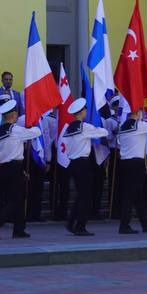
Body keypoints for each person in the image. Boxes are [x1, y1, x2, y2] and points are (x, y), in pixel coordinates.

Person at [0, 99, 41, 240]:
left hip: (6, 167)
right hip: (14, 167)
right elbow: (36, 133)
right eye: (16, 113)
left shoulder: (0, 130)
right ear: (13, 114)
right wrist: (33, 122)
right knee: (15, 200)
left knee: (17, 200)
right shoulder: (15, 130)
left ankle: (19, 229)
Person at [62, 98, 108, 236]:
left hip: (73, 163)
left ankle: (71, 222)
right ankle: (80, 227)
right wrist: (96, 126)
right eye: (85, 110)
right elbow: (104, 132)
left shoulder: (68, 128)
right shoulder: (84, 127)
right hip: (83, 164)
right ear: (81, 112)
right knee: (86, 197)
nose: (86, 111)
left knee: (81, 195)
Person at [114, 107, 147, 235]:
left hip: (125, 163)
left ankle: (146, 223)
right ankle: (124, 225)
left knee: (138, 196)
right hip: (136, 163)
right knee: (130, 196)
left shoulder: (122, 127)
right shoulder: (140, 125)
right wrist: (146, 122)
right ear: (137, 113)